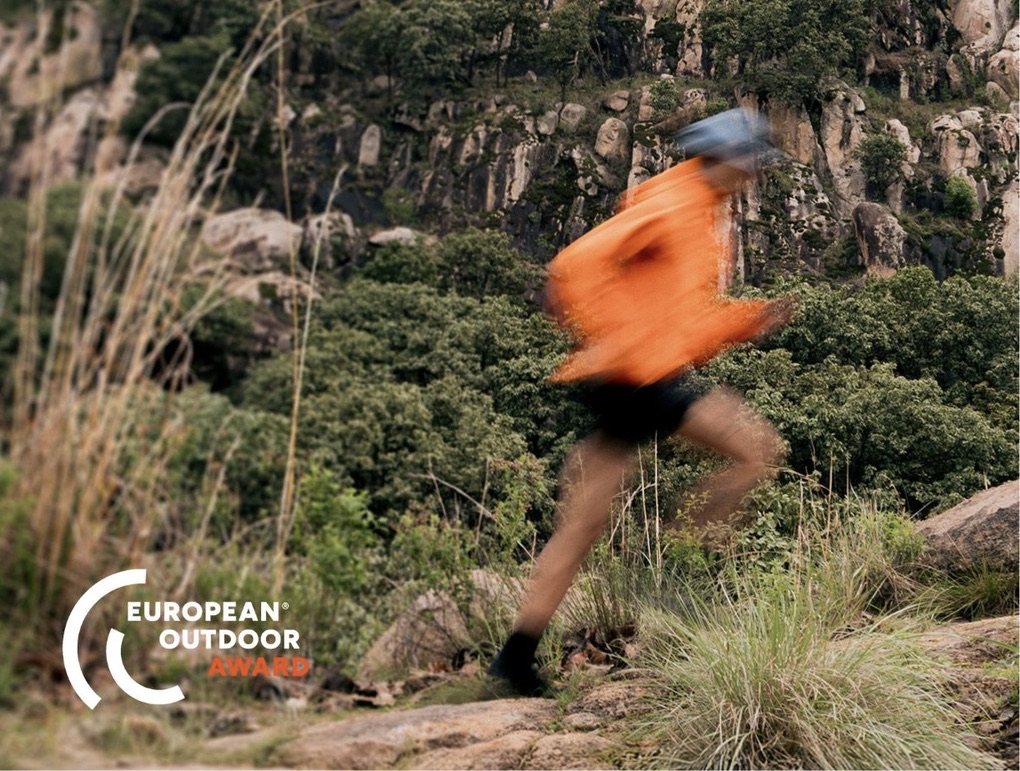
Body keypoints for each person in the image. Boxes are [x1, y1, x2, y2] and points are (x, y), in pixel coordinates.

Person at [487, 108, 797, 696]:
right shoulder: (673, 203)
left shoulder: (702, 209)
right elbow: (573, 266)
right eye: (751, 162)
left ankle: (514, 659)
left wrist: (746, 322)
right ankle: (688, 567)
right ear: (727, 158)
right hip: (643, 375)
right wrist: (609, 335)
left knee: (579, 527)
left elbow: (685, 319)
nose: (755, 174)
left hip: (634, 376)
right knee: (756, 451)